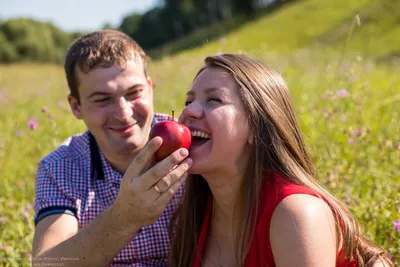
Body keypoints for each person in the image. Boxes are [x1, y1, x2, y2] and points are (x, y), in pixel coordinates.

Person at [169, 53, 394, 267]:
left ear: (257, 127)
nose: (189, 112)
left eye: (213, 100)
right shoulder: (193, 215)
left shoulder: (296, 214)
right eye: (189, 101)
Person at [31, 30, 192, 266]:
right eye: (102, 99)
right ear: (76, 107)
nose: (123, 113)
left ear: (149, 88)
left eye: (134, 93)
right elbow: (48, 263)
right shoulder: (59, 168)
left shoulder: (192, 142)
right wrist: (125, 217)